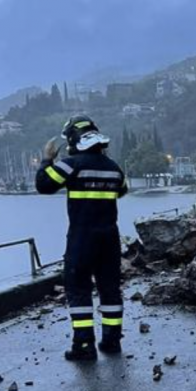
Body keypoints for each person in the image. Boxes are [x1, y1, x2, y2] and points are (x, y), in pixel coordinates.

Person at [36, 114, 127, 361]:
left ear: (74, 140)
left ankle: (84, 345)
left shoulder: (70, 164)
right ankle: (111, 341)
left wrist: (46, 159)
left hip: (82, 237)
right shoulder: (114, 167)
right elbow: (122, 191)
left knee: (79, 289)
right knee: (110, 289)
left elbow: (44, 185)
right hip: (109, 237)